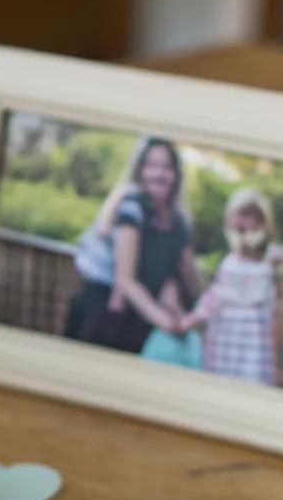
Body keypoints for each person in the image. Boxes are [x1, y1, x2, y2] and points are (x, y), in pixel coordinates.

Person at [65, 137, 198, 352]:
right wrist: (167, 323)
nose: (159, 174)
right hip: (104, 316)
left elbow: (186, 277)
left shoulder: (178, 222)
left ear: (176, 174)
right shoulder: (132, 208)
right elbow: (125, 280)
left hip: (140, 321)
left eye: (166, 167)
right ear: (140, 171)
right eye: (152, 166)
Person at [179, 187, 283, 386]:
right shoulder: (229, 262)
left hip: (255, 342)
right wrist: (193, 319)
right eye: (240, 216)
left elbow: (282, 301)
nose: (245, 223)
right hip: (225, 337)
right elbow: (215, 298)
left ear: (263, 223)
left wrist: (278, 325)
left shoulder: (272, 260)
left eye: (252, 217)